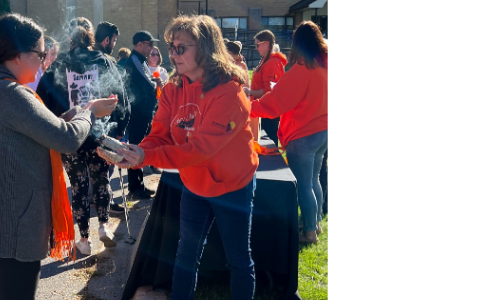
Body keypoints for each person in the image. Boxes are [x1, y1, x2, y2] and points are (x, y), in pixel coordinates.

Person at [0, 13, 115, 300]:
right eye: (40, 54)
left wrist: (71, 115)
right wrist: (90, 112)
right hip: (8, 227)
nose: (44, 61)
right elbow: (66, 139)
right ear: (17, 55)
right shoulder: (8, 93)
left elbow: (39, 130)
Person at [105, 14, 258, 300]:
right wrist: (135, 152)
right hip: (194, 184)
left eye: (181, 47)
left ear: (205, 48)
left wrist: (146, 156)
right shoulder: (173, 88)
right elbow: (160, 133)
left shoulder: (229, 92)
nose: (172, 54)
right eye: (171, 47)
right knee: (186, 253)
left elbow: (199, 149)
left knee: (238, 259)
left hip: (232, 185)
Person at [36, 24, 130, 256]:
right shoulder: (105, 61)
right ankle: (104, 225)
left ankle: (85, 240)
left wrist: (51, 127)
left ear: (71, 41)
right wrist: (120, 127)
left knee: (78, 185)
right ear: (91, 40)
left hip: (69, 134)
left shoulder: (59, 64)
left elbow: (41, 100)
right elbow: (122, 96)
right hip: (99, 132)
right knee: (100, 179)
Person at [248, 21, 328, 244]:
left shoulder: (302, 70)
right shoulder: (325, 68)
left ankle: (310, 232)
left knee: (304, 184)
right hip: (324, 132)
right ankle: (316, 224)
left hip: (303, 135)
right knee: (313, 181)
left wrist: (248, 108)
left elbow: (276, 101)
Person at [117, 30, 162, 200]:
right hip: (137, 113)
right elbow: (147, 83)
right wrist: (155, 83)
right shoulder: (135, 60)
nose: (152, 47)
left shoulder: (141, 61)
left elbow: (148, 82)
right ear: (140, 44)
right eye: (150, 44)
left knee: (139, 148)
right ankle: (135, 188)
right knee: (135, 147)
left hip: (143, 112)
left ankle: (139, 185)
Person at [246, 30, 285, 146]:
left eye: (257, 45)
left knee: (270, 144)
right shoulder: (266, 60)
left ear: (266, 44)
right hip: (263, 110)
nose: (256, 48)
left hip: (269, 112)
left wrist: (249, 91)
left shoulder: (272, 63)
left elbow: (270, 91)